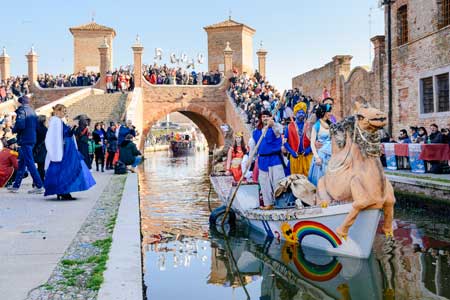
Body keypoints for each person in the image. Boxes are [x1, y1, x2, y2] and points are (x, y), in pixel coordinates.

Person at [44, 104, 96, 200]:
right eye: (63, 111)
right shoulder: (56, 121)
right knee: (64, 170)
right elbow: (57, 137)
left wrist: (71, 130)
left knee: (66, 169)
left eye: (65, 111)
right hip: (64, 150)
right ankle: (63, 191)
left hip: (66, 149)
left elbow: (64, 134)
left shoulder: (59, 121)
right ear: (57, 111)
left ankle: (64, 191)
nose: (65, 113)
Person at [9, 96, 44, 193]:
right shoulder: (32, 111)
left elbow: (20, 125)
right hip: (32, 139)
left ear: (20, 103)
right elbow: (37, 126)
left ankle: (39, 185)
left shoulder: (21, 111)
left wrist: (13, 129)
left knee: (30, 163)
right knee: (22, 163)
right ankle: (16, 185)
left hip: (25, 139)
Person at [251, 110, 285, 210]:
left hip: (275, 159)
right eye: (263, 116)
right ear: (260, 119)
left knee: (278, 181)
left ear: (270, 117)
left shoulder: (275, 128)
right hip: (262, 160)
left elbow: (280, 130)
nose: (265, 118)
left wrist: (273, 123)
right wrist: (251, 160)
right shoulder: (256, 132)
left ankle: (281, 203)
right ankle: (268, 204)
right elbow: (253, 147)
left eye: (267, 116)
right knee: (264, 183)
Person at [283, 102, 312, 176]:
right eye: (299, 112)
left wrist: (309, 149)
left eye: (303, 112)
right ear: (295, 113)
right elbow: (285, 141)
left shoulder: (309, 126)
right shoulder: (289, 126)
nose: (301, 114)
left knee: (308, 179)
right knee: (293, 179)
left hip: (307, 157)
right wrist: (291, 152)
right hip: (294, 158)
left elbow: (314, 141)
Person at [308, 104, 332, 186]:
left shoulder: (330, 124)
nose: (330, 113)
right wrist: (317, 157)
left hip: (331, 155)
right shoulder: (316, 125)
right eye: (329, 111)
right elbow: (312, 143)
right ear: (324, 113)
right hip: (321, 156)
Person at [34, 115, 48, 183]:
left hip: (36, 148)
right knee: (41, 166)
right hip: (43, 149)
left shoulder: (35, 129)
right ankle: (41, 180)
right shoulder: (45, 129)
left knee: (38, 166)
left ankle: (35, 181)